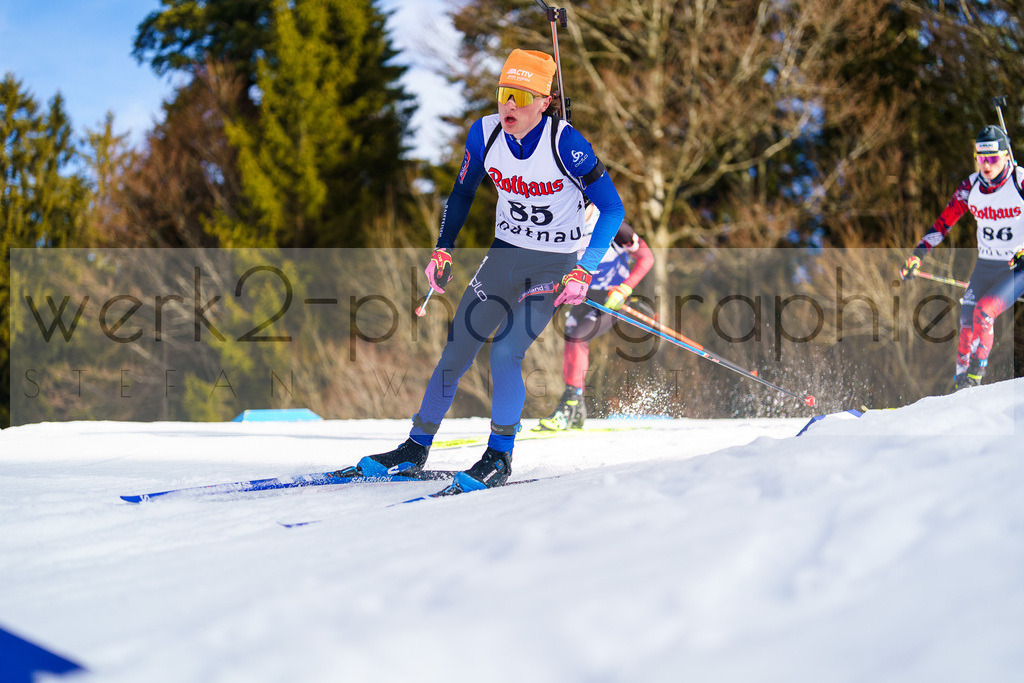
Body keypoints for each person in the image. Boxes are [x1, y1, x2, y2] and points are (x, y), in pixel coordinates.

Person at [343, 49, 625, 490]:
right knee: (456, 350)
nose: (508, 105)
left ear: (544, 102)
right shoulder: (484, 134)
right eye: (503, 93)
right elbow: (460, 196)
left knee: (505, 351)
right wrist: (443, 251)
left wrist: (585, 269)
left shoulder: (565, 143)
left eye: (520, 96)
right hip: (503, 256)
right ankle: (414, 449)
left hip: (552, 267)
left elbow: (612, 208)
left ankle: (499, 456)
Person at [900, 125, 1024, 391]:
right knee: (967, 319)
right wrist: (917, 256)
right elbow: (942, 225)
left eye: (992, 158)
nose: (986, 165)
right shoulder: (970, 187)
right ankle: (961, 385)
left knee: (984, 312)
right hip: (985, 266)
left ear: (1005, 156)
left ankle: (976, 377)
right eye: (981, 157)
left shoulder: (1020, 182)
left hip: (1016, 269)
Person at [537, 203, 654, 430]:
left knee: (578, 337)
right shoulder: (559, 223)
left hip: (612, 296)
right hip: (583, 294)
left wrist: (625, 288)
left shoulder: (613, 226)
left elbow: (647, 258)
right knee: (572, 336)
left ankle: (570, 406)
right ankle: (577, 408)